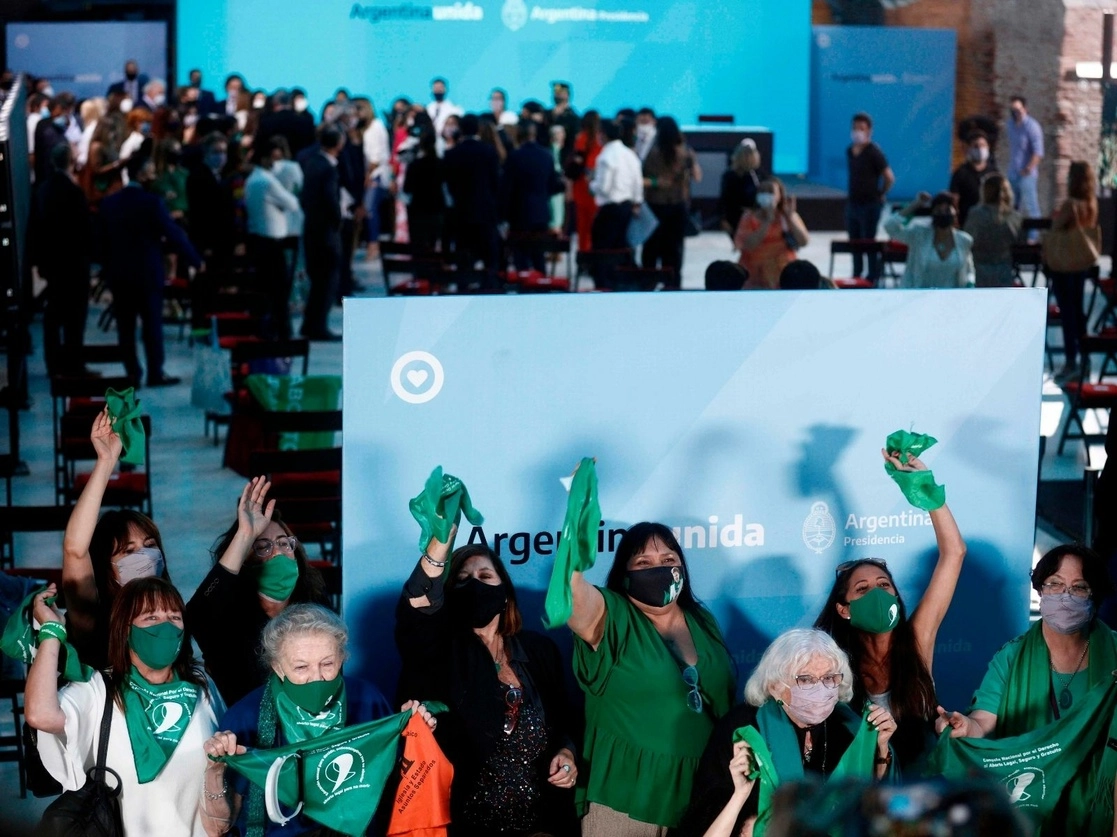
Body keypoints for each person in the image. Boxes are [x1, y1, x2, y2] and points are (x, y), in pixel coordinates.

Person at [396, 534, 580, 837]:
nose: (475, 585)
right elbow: (416, 608)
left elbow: (564, 720)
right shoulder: (437, 652)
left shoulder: (539, 651)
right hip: (465, 823)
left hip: (542, 822)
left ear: (504, 592)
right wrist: (438, 548)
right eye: (464, 579)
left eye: (485, 576)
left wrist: (568, 753)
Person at [201, 603, 436, 836]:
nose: (317, 678)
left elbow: (397, 785)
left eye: (327, 664)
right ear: (277, 666)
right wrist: (215, 768)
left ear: (342, 657)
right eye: (301, 667)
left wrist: (416, 736)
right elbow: (219, 828)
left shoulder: (367, 700)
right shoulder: (246, 716)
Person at [566, 521, 736, 834]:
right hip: (626, 797)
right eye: (643, 562)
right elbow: (571, 595)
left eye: (668, 560)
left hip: (701, 795)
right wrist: (576, 520)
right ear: (624, 574)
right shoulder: (610, 617)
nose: (658, 569)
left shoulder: (702, 619)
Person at [936, 545, 1117, 836]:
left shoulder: (1115, 654)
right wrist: (964, 726)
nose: (1065, 596)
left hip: (1100, 810)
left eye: (1079, 587)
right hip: (1031, 805)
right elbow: (983, 721)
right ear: (1040, 590)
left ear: (1094, 596)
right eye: (1055, 584)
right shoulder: (1011, 657)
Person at [27, 577, 221, 836]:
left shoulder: (202, 688)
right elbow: (40, 714)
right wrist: (51, 631)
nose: (166, 626)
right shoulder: (98, 690)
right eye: (151, 617)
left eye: (174, 617)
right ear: (124, 629)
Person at [814, 447, 965, 771]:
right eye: (863, 590)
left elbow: (954, 553)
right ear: (844, 610)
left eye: (884, 586)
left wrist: (928, 494)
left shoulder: (917, 639)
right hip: (865, 795)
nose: (878, 594)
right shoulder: (833, 664)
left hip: (925, 791)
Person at [677, 629, 897, 837]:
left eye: (829, 678)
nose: (820, 689)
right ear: (775, 686)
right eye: (806, 679)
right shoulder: (743, 728)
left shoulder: (849, 726)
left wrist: (881, 748)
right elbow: (710, 811)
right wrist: (753, 822)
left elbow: (872, 802)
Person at [186, 476, 329, 705]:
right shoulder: (226, 619)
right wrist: (245, 535)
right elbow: (196, 614)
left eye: (284, 543)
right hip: (245, 732)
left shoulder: (315, 603)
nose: (278, 553)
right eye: (263, 547)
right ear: (244, 560)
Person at [61, 410, 173, 669]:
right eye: (128, 551)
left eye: (149, 546)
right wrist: (106, 461)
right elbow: (75, 551)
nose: (144, 556)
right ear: (107, 567)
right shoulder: (94, 617)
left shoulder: (173, 610)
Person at [100, 154, 201, 386]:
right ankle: (156, 371)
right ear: (143, 174)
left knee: (125, 328)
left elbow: (101, 242)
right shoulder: (152, 202)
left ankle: (132, 373)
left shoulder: (109, 204)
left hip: (120, 274)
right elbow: (173, 234)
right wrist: (195, 260)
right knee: (152, 325)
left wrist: (107, 269)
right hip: (148, 272)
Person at [33, 143, 91, 377]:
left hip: (52, 263)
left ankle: (54, 364)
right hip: (74, 264)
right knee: (75, 319)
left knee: (53, 315)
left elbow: (36, 227)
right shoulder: (73, 191)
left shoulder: (43, 189)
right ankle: (74, 364)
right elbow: (83, 230)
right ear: (70, 162)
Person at [1046, 160, 1099, 383]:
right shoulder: (1091, 202)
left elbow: (1056, 228)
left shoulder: (1071, 204)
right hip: (1081, 263)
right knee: (1078, 312)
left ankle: (1070, 361)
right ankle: (1084, 359)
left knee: (1067, 313)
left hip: (1064, 263)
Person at [245, 138, 301, 338]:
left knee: (265, 293)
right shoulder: (267, 181)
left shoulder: (253, 179)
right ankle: (282, 336)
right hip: (270, 245)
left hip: (257, 242)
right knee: (278, 295)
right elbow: (292, 203)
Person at [299, 123, 344, 341]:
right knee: (327, 281)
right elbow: (331, 200)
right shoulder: (328, 168)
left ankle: (310, 323)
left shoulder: (311, 163)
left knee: (317, 280)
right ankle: (318, 325)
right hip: (326, 232)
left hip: (311, 228)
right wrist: (338, 221)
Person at [641, 116, 698, 287]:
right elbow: (697, 176)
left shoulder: (652, 152)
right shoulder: (685, 152)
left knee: (651, 247)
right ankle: (673, 283)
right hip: (677, 206)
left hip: (654, 205)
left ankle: (648, 282)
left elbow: (642, 176)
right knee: (674, 249)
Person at [502, 121, 566, 272]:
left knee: (521, 258)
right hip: (541, 214)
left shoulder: (514, 157)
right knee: (539, 257)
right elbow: (554, 186)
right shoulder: (546, 155)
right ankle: (541, 290)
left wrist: (503, 215)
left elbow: (507, 189)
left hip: (519, 215)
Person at [444, 113, 502, 275]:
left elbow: (449, 185)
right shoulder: (489, 151)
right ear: (478, 129)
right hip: (485, 213)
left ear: (460, 130)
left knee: (464, 262)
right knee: (490, 262)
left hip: (461, 214)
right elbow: (495, 183)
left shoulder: (452, 154)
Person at [883, 191, 975, 288]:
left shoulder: (964, 240)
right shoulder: (918, 235)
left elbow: (969, 270)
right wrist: (915, 205)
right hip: (918, 297)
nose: (943, 214)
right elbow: (890, 226)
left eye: (947, 210)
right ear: (932, 213)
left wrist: (970, 284)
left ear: (955, 212)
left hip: (951, 299)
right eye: (939, 211)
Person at [846, 112, 895, 284]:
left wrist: (881, 193)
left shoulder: (874, 152)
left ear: (869, 131)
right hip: (853, 204)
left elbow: (889, 177)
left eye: (861, 128)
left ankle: (872, 278)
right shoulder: (850, 151)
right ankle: (856, 276)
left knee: (869, 242)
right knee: (854, 242)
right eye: (854, 128)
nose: (857, 132)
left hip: (870, 205)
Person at [734, 177, 809, 290]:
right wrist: (767, 222)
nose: (766, 195)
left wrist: (790, 218)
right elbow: (748, 245)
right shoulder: (748, 217)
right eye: (762, 191)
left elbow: (803, 241)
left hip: (784, 277)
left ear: (779, 196)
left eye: (770, 191)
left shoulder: (787, 216)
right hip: (754, 278)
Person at [589, 119, 644, 258]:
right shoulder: (630, 154)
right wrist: (637, 201)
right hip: (627, 207)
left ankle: (605, 279)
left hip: (610, 210)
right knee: (621, 249)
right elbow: (638, 182)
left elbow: (604, 188)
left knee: (603, 251)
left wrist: (591, 183)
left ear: (603, 135)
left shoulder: (605, 157)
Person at [186, 132, 236, 276]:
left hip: (221, 241)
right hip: (208, 241)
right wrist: (205, 243)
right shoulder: (198, 177)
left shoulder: (221, 176)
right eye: (216, 152)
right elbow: (200, 213)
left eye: (223, 152)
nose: (221, 156)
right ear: (206, 153)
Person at [964, 173, 1022, 288]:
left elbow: (968, 239)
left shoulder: (976, 214)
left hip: (980, 264)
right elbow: (1018, 240)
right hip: (1004, 265)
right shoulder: (1014, 216)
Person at [1006, 95, 1043, 225]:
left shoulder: (1032, 126)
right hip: (1013, 171)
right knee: (1012, 206)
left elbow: (1038, 152)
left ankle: (1033, 237)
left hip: (1026, 174)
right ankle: (1014, 234)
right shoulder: (1010, 125)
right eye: (1013, 110)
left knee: (1031, 206)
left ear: (1025, 109)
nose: (1016, 113)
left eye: (1019, 110)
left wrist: (1028, 168)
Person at [570, 110, 603, 252]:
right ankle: (593, 256)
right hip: (594, 187)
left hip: (581, 187)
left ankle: (583, 256)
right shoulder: (599, 140)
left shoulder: (580, 138)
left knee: (583, 227)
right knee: (594, 225)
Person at [949, 130, 997, 226]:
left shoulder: (994, 173)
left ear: (988, 147)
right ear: (968, 148)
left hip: (989, 223)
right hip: (967, 222)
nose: (980, 149)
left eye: (983, 145)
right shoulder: (961, 173)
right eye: (976, 146)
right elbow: (954, 200)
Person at [719, 138, 762, 242]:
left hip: (754, 218)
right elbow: (725, 199)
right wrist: (724, 219)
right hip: (736, 217)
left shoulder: (756, 175)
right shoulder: (730, 176)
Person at [34, 92, 75, 183]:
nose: (63, 113)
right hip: (47, 173)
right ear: (53, 109)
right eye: (60, 110)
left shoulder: (62, 126)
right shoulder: (45, 126)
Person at [548, 82, 580, 157]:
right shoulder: (548, 114)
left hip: (565, 155)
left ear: (567, 95)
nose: (556, 94)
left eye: (560, 92)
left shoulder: (573, 117)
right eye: (555, 92)